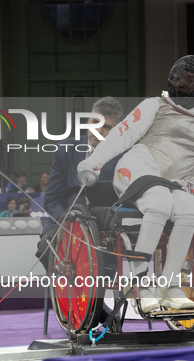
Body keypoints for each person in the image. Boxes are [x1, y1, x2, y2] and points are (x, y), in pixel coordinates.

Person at [77, 55, 194, 314]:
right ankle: (140, 283)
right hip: (136, 168)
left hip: (175, 181)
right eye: (181, 79)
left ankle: (168, 285)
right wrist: (92, 164)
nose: (184, 84)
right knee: (158, 202)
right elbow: (121, 136)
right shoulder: (154, 105)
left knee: (190, 208)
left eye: (192, 81)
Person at [37, 96, 125, 325]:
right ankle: (87, 309)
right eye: (96, 123)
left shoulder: (123, 155)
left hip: (102, 224)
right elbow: (52, 199)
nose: (100, 131)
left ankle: (95, 307)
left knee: (106, 253)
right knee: (46, 245)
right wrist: (67, 222)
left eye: (108, 127)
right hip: (65, 218)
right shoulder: (65, 150)